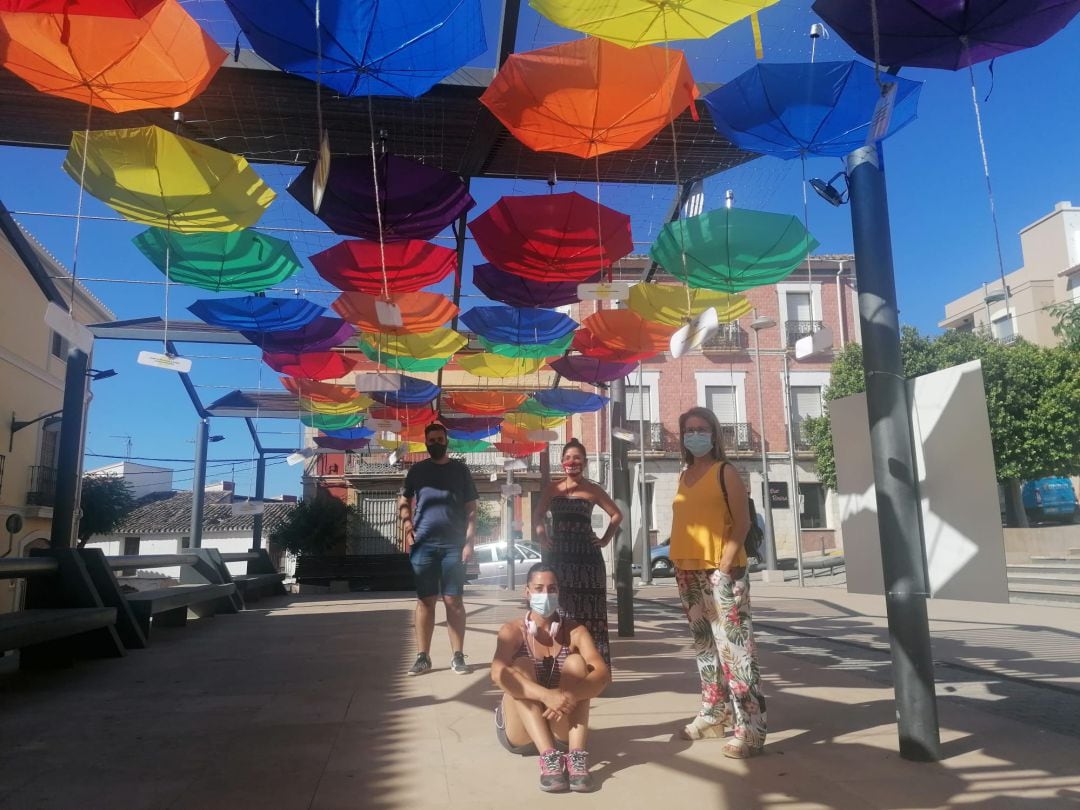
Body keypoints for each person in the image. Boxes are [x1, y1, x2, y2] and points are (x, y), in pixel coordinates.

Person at [669, 407, 767, 758]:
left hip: (721, 571)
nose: (694, 434)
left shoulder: (725, 471)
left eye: (701, 428)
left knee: (736, 651)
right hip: (687, 570)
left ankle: (750, 728)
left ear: (714, 434)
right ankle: (714, 714)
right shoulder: (684, 475)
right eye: (688, 429)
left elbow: (741, 522)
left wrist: (724, 567)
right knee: (705, 648)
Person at [490, 563, 611, 793]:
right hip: (521, 733)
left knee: (577, 663)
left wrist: (568, 696)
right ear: (527, 592)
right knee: (520, 665)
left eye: (552, 588)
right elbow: (497, 673)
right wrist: (546, 696)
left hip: (560, 725)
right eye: (538, 588)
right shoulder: (512, 631)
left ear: (559, 592)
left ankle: (576, 758)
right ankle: (548, 759)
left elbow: (602, 674)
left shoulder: (575, 631)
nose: (545, 595)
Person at [533, 439, 622, 664]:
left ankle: (594, 669)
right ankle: (563, 666)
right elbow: (538, 515)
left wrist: (604, 540)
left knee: (592, 616)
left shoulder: (592, 489)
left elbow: (617, 515)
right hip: (559, 558)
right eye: (568, 458)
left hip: (588, 560)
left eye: (577, 458)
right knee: (561, 612)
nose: (572, 462)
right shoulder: (553, 489)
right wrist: (543, 537)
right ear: (562, 462)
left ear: (584, 462)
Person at [399, 422, 478, 676]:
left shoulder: (460, 470)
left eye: (439, 439)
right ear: (426, 442)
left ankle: (458, 656)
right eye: (431, 440)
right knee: (425, 601)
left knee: (454, 601)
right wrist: (408, 526)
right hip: (423, 546)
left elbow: (472, 509)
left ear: (447, 441)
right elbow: (403, 500)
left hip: (454, 546)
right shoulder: (417, 471)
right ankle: (423, 656)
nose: (435, 443)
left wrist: (469, 542)